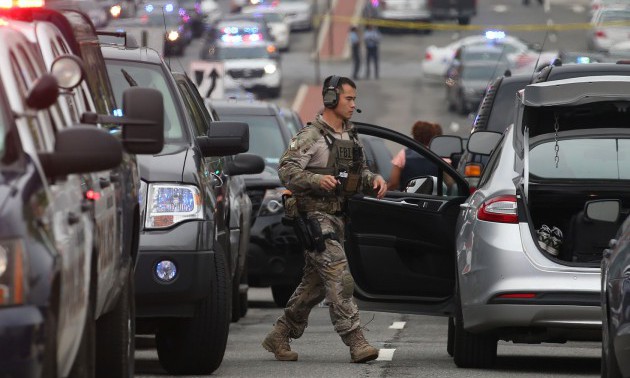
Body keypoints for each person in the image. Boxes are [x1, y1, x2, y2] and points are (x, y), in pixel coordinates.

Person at [262, 75, 387, 363]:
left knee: (315, 286)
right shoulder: (311, 136)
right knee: (339, 278)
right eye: (349, 98)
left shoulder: (351, 136)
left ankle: (280, 334)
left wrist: (374, 180)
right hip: (315, 220)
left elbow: (359, 174)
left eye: (355, 99)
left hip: (339, 218)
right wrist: (316, 180)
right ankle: (356, 340)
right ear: (331, 99)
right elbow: (286, 170)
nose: (354, 104)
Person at [387, 121, 443, 191]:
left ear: (414, 134)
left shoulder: (403, 155)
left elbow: (393, 183)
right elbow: (449, 183)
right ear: (432, 136)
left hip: (408, 199)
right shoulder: (439, 156)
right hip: (433, 199)